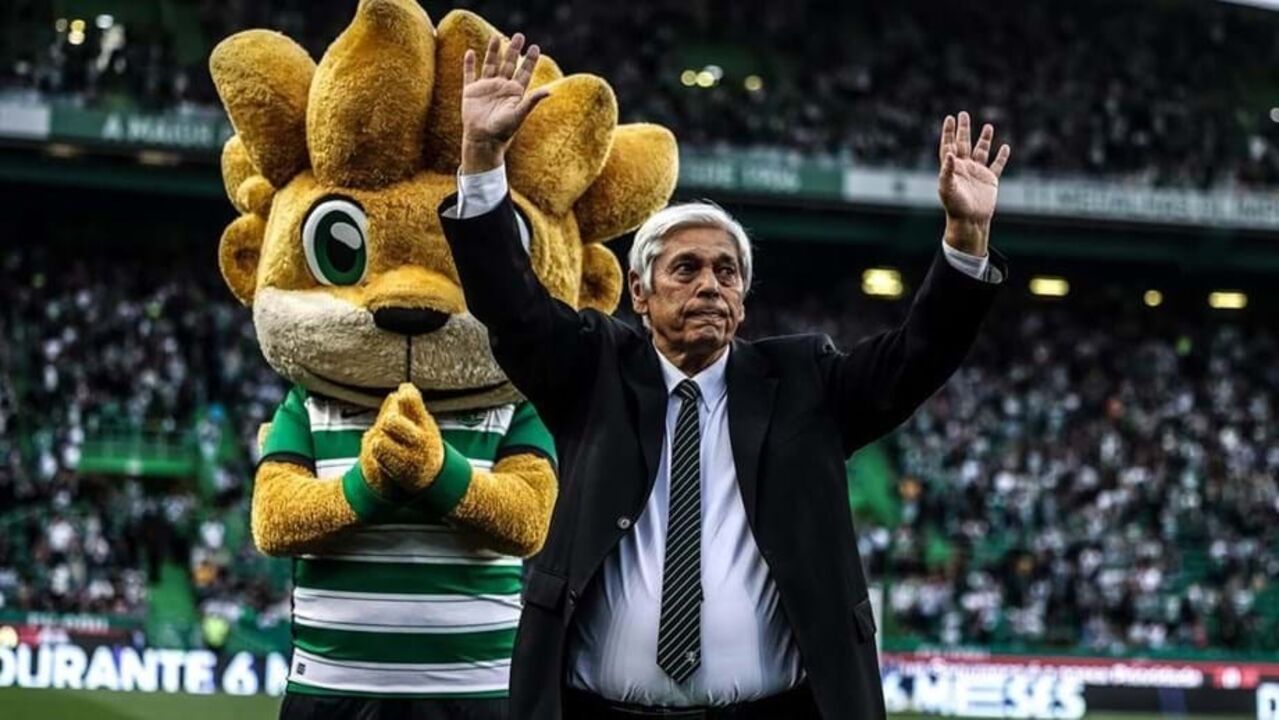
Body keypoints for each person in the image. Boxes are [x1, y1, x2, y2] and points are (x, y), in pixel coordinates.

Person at [439, 33, 1011, 720]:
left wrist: (965, 240)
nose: (709, 285)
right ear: (639, 292)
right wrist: (481, 160)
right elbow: (512, 306)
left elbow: (920, 354)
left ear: (742, 298)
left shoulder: (805, 382)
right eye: (685, 269)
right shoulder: (591, 371)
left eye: (726, 271)